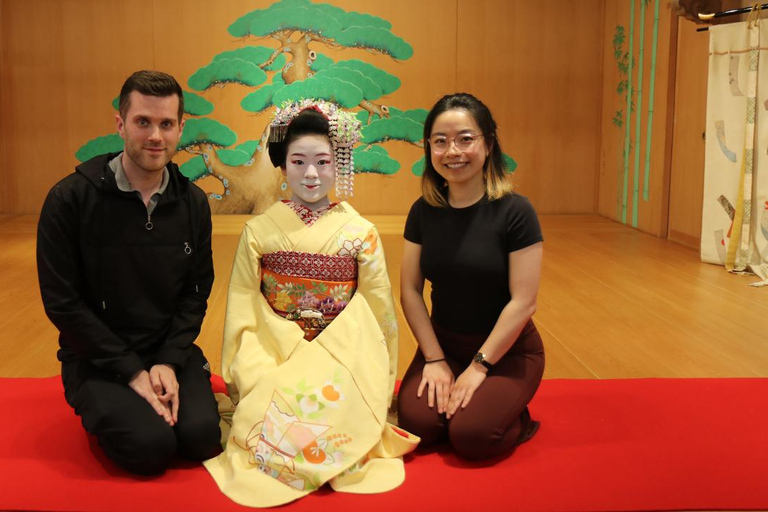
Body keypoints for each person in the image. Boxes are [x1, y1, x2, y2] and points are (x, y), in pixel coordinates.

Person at [204, 99, 418, 508]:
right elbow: (244, 303)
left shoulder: (361, 232)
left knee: (325, 411)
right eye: (298, 162)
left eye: (322, 161)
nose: (312, 174)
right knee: (274, 406)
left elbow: (378, 313)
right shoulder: (259, 230)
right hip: (276, 349)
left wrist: (381, 371)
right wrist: (241, 363)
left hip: (344, 353)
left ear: (339, 164)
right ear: (282, 167)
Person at [36, 70, 221, 475]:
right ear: (121, 124)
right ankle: (107, 406)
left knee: (202, 439)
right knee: (149, 450)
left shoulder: (192, 203)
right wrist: (132, 371)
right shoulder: (69, 199)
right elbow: (62, 303)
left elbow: (196, 291)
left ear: (180, 129)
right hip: (98, 357)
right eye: (143, 122)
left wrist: (170, 361)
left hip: (166, 351)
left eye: (166, 124)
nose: (155, 136)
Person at [397, 93, 545, 461]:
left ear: (489, 144)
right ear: (428, 147)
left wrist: (479, 367)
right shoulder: (423, 211)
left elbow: (524, 301)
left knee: (472, 437)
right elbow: (410, 291)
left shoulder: (516, 211)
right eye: (440, 141)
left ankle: (513, 414)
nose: (453, 152)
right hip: (444, 344)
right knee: (418, 428)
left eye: (466, 139)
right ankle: (474, 405)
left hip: (505, 350)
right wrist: (434, 359)